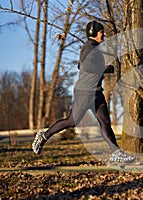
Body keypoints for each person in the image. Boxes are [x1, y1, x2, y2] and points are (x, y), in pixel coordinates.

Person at [32, 20, 135, 164]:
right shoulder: (89, 47)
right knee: (72, 121)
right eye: (101, 32)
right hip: (85, 92)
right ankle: (44, 135)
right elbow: (85, 67)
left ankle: (116, 153)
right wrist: (108, 68)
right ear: (94, 33)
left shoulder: (94, 48)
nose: (104, 34)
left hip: (96, 91)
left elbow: (81, 64)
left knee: (105, 121)